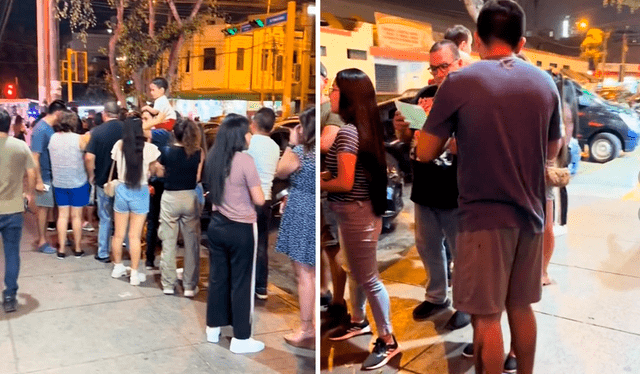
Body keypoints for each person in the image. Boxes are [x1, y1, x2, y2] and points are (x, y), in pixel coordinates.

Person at [416, 2, 563, 373]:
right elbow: (551, 149)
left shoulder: (460, 82)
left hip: (482, 219)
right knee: (521, 307)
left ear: (477, 40)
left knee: (486, 317)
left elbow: (425, 151)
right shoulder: (545, 82)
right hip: (530, 215)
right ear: (522, 41)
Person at [321, 68, 398, 371]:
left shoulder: (350, 131)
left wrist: (319, 183)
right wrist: (327, 176)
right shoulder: (359, 128)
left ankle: (388, 340)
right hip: (354, 212)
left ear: (350, 96)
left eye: (336, 89)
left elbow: (345, 183)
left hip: (356, 213)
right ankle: (358, 321)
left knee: (368, 278)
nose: (330, 94)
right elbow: (345, 174)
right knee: (356, 271)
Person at [393, 39, 471, 331]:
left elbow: (465, 145)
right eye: (434, 67)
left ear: (459, 63)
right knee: (427, 246)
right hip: (425, 187)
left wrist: (429, 126)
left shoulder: (468, 99)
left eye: (444, 66)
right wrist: (402, 128)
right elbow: (407, 142)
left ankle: (464, 303)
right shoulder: (425, 95)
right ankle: (437, 296)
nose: (438, 74)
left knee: (460, 252)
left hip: (455, 189)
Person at [203, 114, 266, 354]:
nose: (251, 136)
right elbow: (259, 198)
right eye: (248, 132)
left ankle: (213, 328)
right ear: (240, 135)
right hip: (241, 228)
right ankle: (241, 338)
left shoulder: (213, 158)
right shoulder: (245, 160)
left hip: (216, 226)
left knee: (218, 278)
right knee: (242, 283)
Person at [274, 107, 316, 349]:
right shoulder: (319, 151)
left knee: (303, 273)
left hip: (301, 209)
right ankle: (309, 324)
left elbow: (280, 170)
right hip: (312, 207)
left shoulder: (300, 152)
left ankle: (306, 327)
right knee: (311, 270)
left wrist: (291, 143)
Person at [110, 118, 161, 286]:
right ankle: (134, 273)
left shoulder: (119, 145)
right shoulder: (150, 149)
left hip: (122, 190)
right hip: (140, 191)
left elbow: (116, 163)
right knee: (135, 236)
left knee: (118, 234)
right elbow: (154, 171)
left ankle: (117, 267)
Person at [157, 118, 204, 296]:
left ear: (173, 133)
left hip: (170, 197)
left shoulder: (166, 151)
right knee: (191, 243)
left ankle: (168, 284)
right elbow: (198, 177)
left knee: (168, 241)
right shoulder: (198, 152)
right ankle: (190, 286)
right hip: (190, 196)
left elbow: (160, 172)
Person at [319, 63, 348, 329]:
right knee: (321, 246)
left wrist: (303, 140)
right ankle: (324, 292)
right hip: (317, 190)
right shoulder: (318, 111)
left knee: (334, 248)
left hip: (329, 190)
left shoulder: (331, 110)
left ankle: (339, 303)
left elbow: (327, 143)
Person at [0, 109, 37, 313]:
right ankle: (10, 295)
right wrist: (28, 194)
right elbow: (32, 173)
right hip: (13, 209)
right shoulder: (20, 146)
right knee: (12, 252)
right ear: (9, 125)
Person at [246, 107, 280, 300]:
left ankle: (247, 283)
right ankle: (261, 287)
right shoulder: (275, 147)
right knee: (262, 243)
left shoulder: (249, 142)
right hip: (266, 199)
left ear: (254, 123)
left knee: (246, 243)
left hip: (249, 198)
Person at [48, 110, 91, 259]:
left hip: (59, 182)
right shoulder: (80, 139)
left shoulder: (53, 138)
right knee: (77, 217)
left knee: (62, 216)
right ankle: (78, 249)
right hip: (78, 182)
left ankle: (61, 250)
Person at [85, 102, 125, 262]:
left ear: (105, 114)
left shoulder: (97, 132)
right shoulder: (127, 129)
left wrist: (91, 175)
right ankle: (128, 249)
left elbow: (89, 157)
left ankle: (103, 252)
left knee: (105, 217)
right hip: (124, 181)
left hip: (104, 181)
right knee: (124, 217)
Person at [31, 100, 66, 254]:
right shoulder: (40, 129)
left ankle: (59, 237)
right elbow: (34, 157)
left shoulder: (48, 128)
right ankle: (42, 241)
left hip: (52, 175)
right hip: (44, 177)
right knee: (43, 209)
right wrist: (38, 180)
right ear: (58, 113)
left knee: (52, 208)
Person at [141, 108, 171, 269]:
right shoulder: (158, 137)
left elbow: (140, 130)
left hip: (159, 182)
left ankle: (152, 258)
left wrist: (156, 119)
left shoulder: (161, 134)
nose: (144, 122)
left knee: (156, 221)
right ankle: (151, 258)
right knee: (154, 221)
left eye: (146, 118)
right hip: (155, 182)